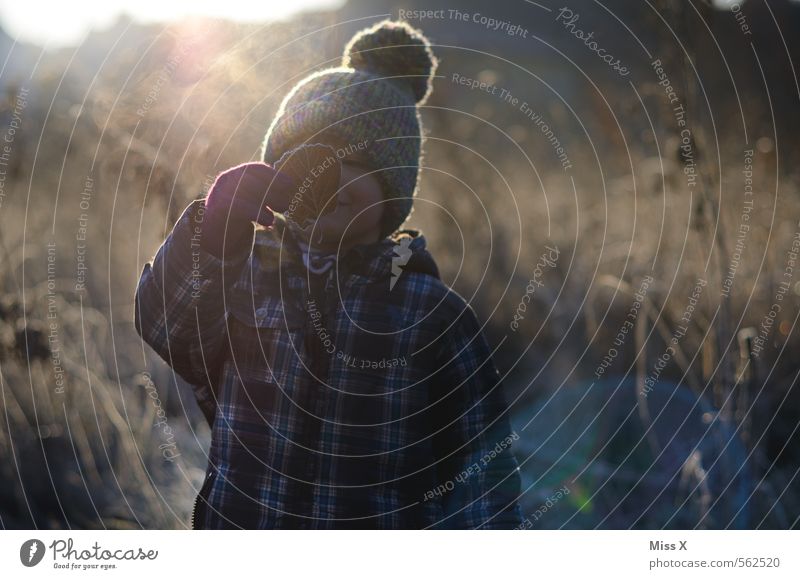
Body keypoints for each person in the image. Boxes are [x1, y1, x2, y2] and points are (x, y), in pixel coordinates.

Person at [134, 18, 522, 529]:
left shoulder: (429, 312)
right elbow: (167, 326)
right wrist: (210, 237)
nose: (327, 177)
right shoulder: (243, 277)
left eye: (357, 162)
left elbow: (482, 465)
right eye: (308, 158)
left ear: (393, 192)